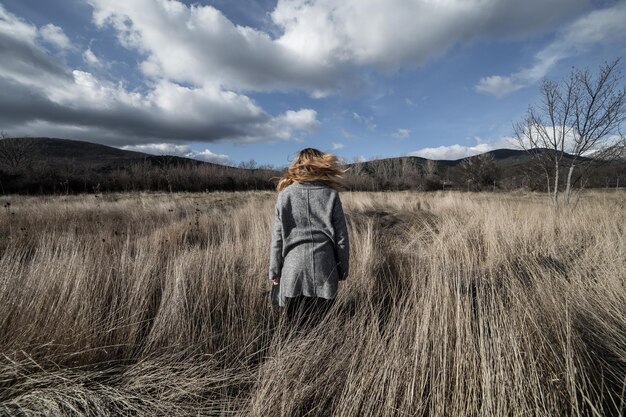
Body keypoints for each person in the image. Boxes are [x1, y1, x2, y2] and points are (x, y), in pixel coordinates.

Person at [269, 148, 350, 328]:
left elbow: (278, 238)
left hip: (293, 269)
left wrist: (275, 271)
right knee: (321, 328)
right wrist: (343, 269)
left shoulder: (284, 195)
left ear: (298, 165)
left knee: (295, 328)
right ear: (320, 165)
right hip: (325, 267)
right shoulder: (331, 194)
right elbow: (341, 237)